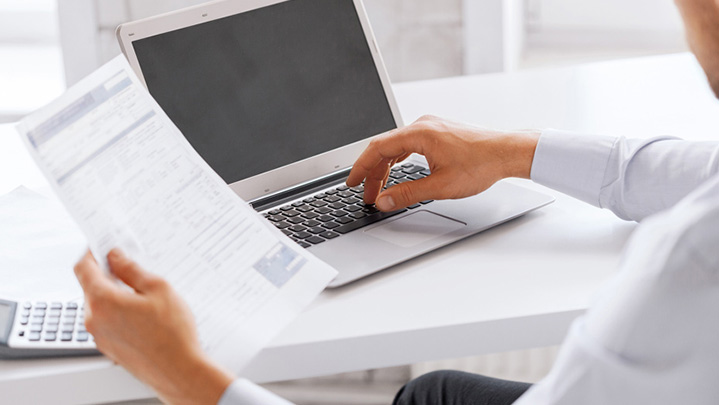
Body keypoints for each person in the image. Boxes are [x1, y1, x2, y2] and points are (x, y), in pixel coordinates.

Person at [73, 0, 719, 403]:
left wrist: (187, 377)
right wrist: (509, 150)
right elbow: (692, 172)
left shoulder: (686, 268)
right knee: (433, 392)